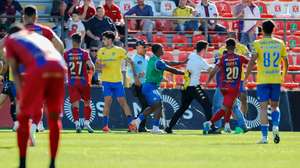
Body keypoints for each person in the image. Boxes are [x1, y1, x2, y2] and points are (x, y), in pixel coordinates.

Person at [3, 24, 66, 168]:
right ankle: (52, 164)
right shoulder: (37, 36)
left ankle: (23, 163)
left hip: (38, 68)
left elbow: (14, 71)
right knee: (54, 117)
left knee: (23, 117)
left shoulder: (11, 40)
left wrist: (20, 98)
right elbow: (60, 45)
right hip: (60, 66)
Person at [244, 20, 288, 144]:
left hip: (263, 80)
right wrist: (283, 76)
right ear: (273, 30)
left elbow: (252, 61)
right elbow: (286, 62)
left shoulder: (257, 43)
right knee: (275, 106)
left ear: (262, 30)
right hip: (275, 79)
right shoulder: (280, 43)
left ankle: (264, 137)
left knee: (263, 108)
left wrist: (246, 78)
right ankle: (275, 126)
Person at [132, 44, 185, 133]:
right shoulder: (158, 62)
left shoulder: (155, 59)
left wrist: (181, 63)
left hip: (150, 86)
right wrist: (184, 73)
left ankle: (138, 122)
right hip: (150, 86)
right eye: (161, 49)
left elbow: (169, 63)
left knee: (155, 106)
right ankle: (153, 128)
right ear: (157, 51)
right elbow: (171, 70)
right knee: (158, 104)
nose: (163, 50)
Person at [165, 41, 213, 134]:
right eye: (206, 49)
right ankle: (211, 127)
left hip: (186, 86)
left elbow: (189, 62)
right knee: (207, 104)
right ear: (203, 49)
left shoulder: (192, 55)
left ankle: (169, 127)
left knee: (182, 108)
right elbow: (211, 70)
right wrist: (217, 64)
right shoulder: (201, 61)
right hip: (194, 86)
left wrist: (211, 61)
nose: (207, 51)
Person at [203, 38, 249, 134]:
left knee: (223, 107)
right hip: (234, 88)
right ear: (235, 47)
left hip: (223, 87)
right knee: (230, 107)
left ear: (226, 47)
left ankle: (219, 126)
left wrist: (208, 81)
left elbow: (214, 71)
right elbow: (252, 63)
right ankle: (211, 124)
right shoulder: (240, 58)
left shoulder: (222, 58)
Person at [96, 31, 137, 133]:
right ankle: (105, 126)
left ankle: (131, 125)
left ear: (110, 40)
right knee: (107, 103)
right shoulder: (101, 51)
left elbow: (130, 61)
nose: (103, 41)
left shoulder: (120, 51)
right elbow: (97, 66)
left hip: (118, 81)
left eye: (104, 39)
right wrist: (100, 66)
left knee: (123, 103)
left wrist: (134, 74)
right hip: (106, 81)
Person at [64, 33, 95, 133]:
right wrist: (89, 77)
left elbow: (63, 67)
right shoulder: (84, 53)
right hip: (84, 82)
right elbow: (92, 67)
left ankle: (77, 124)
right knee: (87, 103)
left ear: (72, 41)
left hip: (72, 82)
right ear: (80, 41)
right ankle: (86, 123)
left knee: (75, 105)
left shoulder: (66, 54)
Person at [128, 40, 149, 132]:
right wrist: (137, 76)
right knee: (146, 105)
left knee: (146, 106)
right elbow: (129, 73)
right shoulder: (134, 58)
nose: (144, 48)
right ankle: (138, 125)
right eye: (142, 46)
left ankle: (139, 125)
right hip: (138, 85)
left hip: (147, 85)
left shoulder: (148, 58)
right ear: (137, 47)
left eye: (145, 46)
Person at [0, 37, 17, 131]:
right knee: (13, 103)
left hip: (14, 81)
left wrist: (1, 74)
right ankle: (17, 124)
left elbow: (5, 66)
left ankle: (18, 124)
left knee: (15, 103)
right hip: (9, 81)